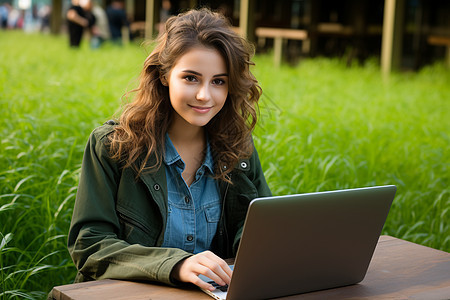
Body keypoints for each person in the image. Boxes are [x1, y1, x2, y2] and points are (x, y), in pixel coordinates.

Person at [68, 8, 271, 292]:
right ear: (164, 76)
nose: (205, 95)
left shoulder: (239, 150)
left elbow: (260, 230)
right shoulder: (113, 146)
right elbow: (89, 244)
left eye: (218, 81)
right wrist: (176, 265)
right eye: (191, 78)